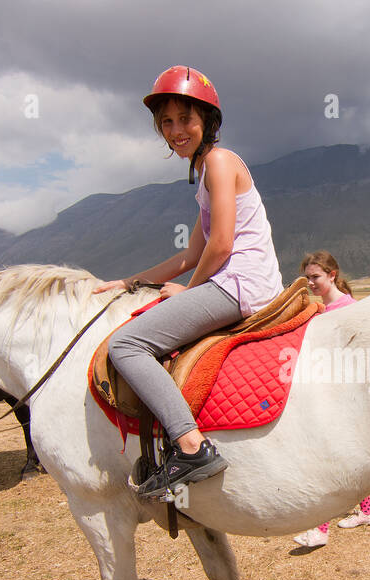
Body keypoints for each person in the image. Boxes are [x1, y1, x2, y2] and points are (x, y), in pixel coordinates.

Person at [96, 66, 283, 500]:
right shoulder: (205, 174)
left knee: (125, 345)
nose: (176, 130)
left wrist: (190, 291)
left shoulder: (219, 161)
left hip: (238, 284)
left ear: (207, 121)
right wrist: (128, 281)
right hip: (238, 281)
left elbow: (220, 246)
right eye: (167, 122)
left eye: (186, 119)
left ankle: (190, 446)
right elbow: (190, 255)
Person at [292, 252, 370, 549]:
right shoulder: (318, 309)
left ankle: (320, 529)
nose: (311, 282)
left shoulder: (348, 309)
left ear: (332, 274)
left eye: (315, 276)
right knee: (345, 461)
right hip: (326, 393)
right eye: (308, 278)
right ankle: (367, 512)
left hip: (343, 397)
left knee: (330, 462)